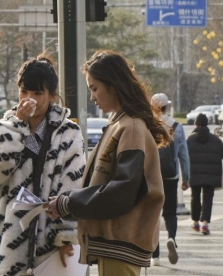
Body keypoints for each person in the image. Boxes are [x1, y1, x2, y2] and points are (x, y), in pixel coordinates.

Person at [45, 50, 167, 276]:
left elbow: (121, 192)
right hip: (116, 245)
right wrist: (67, 204)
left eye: (94, 88)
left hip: (120, 245)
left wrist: (68, 203)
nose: (92, 97)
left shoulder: (129, 127)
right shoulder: (122, 124)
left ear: (114, 84)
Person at [0, 55, 86, 276]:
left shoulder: (68, 133)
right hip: (9, 239)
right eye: (24, 92)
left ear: (52, 95)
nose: (29, 99)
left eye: (37, 93)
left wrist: (64, 235)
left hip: (49, 243)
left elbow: (72, 185)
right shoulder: (7, 127)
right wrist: (16, 126)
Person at [149, 93, 190, 266]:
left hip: (152, 176)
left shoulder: (148, 125)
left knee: (153, 214)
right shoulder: (176, 126)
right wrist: (186, 178)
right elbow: (184, 155)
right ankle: (171, 238)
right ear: (167, 107)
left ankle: (155, 255)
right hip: (171, 176)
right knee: (170, 212)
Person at [186, 113, 223, 235]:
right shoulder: (215, 139)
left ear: (195, 123)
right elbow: (222, 152)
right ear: (207, 123)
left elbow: (185, 155)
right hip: (211, 173)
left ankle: (195, 221)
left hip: (195, 173)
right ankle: (205, 224)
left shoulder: (190, 139)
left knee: (195, 197)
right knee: (208, 198)